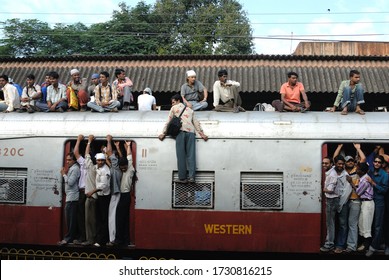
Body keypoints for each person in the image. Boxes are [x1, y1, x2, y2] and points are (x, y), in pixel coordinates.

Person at [159, 94, 208, 183]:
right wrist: (202, 134)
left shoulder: (174, 108)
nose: (172, 104)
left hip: (180, 132)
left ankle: (182, 178)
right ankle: (192, 177)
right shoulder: (190, 110)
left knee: (181, 155)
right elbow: (196, 123)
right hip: (191, 133)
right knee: (191, 156)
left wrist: (163, 133)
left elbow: (169, 121)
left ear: (178, 101)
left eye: (173, 102)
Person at [332, 143, 365, 253]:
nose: (350, 162)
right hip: (344, 201)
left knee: (352, 224)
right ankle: (340, 245)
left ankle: (351, 246)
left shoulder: (358, 169)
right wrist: (339, 147)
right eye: (348, 161)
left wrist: (358, 149)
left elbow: (363, 159)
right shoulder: (342, 170)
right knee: (342, 224)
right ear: (344, 163)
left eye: (352, 160)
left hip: (355, 201)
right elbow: (334, 159)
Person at [320, 155, 347, 252]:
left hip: (332, 200)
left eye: (326, 163)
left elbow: (330, 190)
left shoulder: (332, 174)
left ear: (331, 164)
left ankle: (329, 244)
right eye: (323, 163)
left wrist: (323, 189)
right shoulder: (331, 172)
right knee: (332, 222)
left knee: (330, 223)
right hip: (334, 200)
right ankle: (331, 243)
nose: (324, 165)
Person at [112, 140, 135, 246]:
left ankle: (119, 239)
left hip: (125, 195)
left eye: (125, 167)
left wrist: (129, 145)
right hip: (123, 195)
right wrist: (118, 148)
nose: (123, 169)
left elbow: (129, 155)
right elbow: (124, 158)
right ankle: (125, 240)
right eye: (122, 168)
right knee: (124, 218)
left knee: (119, 218)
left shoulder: (130, 168)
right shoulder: (124, 166)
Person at [365, 155, 389, 257]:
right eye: (375, 161)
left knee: (378, 226)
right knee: (369, 224)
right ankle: (376, 243)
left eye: (379, 162)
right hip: (370, 200)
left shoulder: (385, 175)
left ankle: (373, 247)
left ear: (382, 164)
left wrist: (373, 183)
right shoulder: (370, 171)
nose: (377, 163)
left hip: (379, 202)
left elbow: (384, 190)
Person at [87, 150, 111, 247]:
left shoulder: (105, 170)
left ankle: (102, 241)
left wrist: (92, 191)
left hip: (104, 197)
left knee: (103, 219)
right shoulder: (97, 167)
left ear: (104, 161)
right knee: (100, 218)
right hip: (100, 196)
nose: (100, 162)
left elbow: (104, 185)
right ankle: (100, 239)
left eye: (102, 160)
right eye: (98, 160)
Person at [79, 135, 98, 246]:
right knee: (93, 220)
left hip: (90, 198)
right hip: (96, 197)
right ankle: (92, 239)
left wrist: (89, 142)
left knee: (89, 221)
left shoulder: (91, 168)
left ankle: (90, 240)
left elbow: (86, 154)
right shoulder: (100, 168)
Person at [58, 152, 81, 245]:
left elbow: (71, 183)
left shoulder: (75, 169)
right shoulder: (72, 168)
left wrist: (64, 174)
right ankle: (72, 237)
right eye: (67, 159)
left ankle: (69, 238)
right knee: (70, 219)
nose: (67, 162)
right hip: (70, 197)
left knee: (71, 220)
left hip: (72, 197)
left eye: (69, 160)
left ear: (74, 160)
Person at [354, 162, 374, 252]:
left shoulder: (365, 180)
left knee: (366, 224)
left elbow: (358, 192)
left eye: (358, 169)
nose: (356, 170)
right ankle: (363, 243)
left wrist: (351, 183)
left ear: (362, 171)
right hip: (364, 203)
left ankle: (366, 245)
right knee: (361, 223)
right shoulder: (362, 178)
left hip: (368, 203)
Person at [106, 135, 121, 246]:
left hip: (115, 194)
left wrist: (108, 141)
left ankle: (113, 239)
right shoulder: (114, 168)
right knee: (112, 217)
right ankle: (113, 238)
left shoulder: (115, 167)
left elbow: (110, 152)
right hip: (114, 194)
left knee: (112, 218)